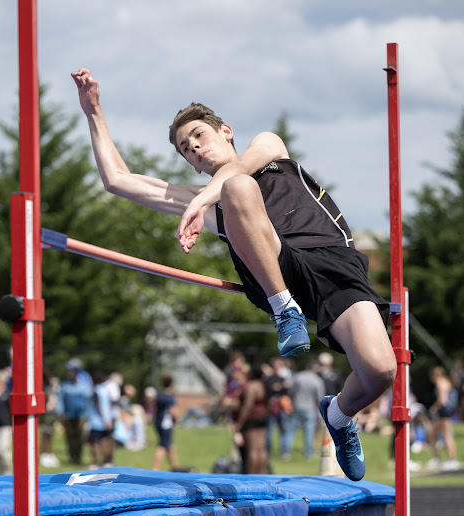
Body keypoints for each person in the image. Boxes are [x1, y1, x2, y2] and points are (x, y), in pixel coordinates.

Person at [71, 68, 397, 481]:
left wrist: (201, 202)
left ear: (225, 131)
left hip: (336, 266)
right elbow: (118, 181)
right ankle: (286, 311)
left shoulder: (270, 147)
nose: (194, 150)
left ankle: (337, 415)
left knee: (380, 370)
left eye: (198, 138)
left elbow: (242, 167)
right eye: (186, 151)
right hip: (279, 272)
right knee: (238, 191)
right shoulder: (213, 201)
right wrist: (94, 111)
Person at [233, 363, 269, 474]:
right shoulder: (263, 385)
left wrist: (239, 423)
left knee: (252, 450)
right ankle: (262, 474)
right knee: (261, 449)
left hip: (252, 419)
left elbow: (247, 406)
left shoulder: (251, 386)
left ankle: (252, 476)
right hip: (262, 418)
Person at [285, 363, 325, 461]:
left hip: (296, 406)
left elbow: (291, 391)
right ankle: (308, 454)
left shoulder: (298, 376)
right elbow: (320, 396)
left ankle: (285, 453)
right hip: (310, 408)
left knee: (290, 430)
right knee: (309, 432)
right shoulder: (317, 380)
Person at [56, 361, 93, 465]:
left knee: (79, 437)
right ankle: (72, 456)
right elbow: (60, 399)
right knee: (69, 437)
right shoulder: (64, 386)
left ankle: (78, 456)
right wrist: (61, 412)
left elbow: (87, 400)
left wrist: (87, 414)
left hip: (80, 415)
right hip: (68, 415)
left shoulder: (83, 386)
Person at [427, 366, 459, 471]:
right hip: (446, 411)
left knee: (446, 435)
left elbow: (442, 400)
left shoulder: (440, 382)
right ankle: (437, 458)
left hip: (444, 411)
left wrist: (434, 408)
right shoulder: (446, 381)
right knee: (433, 433)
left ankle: (452, 460)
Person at [152, 374, 179, 471]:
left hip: (158, 423)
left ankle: (175, 468)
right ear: (171, 384)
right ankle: (155, 468)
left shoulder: (160, 396)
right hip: (166, 424)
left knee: (169, 445)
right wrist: (177, 419)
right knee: (162, 446)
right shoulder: (169, 397)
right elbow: (173, 411)